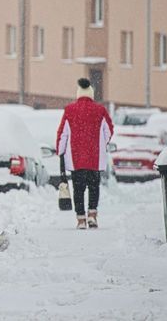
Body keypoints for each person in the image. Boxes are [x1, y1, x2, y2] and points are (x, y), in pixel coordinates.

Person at [56, 78, 114, 229]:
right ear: (91, 94)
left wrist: (60, 151)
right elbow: (109, 130)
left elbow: (62, 133)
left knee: (78, 188)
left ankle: (81, 219)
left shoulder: (70, 110)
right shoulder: (100, 110)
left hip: (76, 159)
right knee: (94, 187)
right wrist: (102, 143)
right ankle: (92, 215)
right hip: (95, 157)